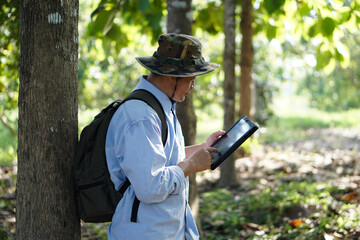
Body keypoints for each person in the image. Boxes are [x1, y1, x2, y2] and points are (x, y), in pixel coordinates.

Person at [105, 33, 224, 240]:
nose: (193, 86)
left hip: (165, 230)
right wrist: (191, 166)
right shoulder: (141, 117)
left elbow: (163, 158)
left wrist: (203, 148)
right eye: (191, 78)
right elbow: (150, 187)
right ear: (172, 75)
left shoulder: (161, 106)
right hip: (145, 233)